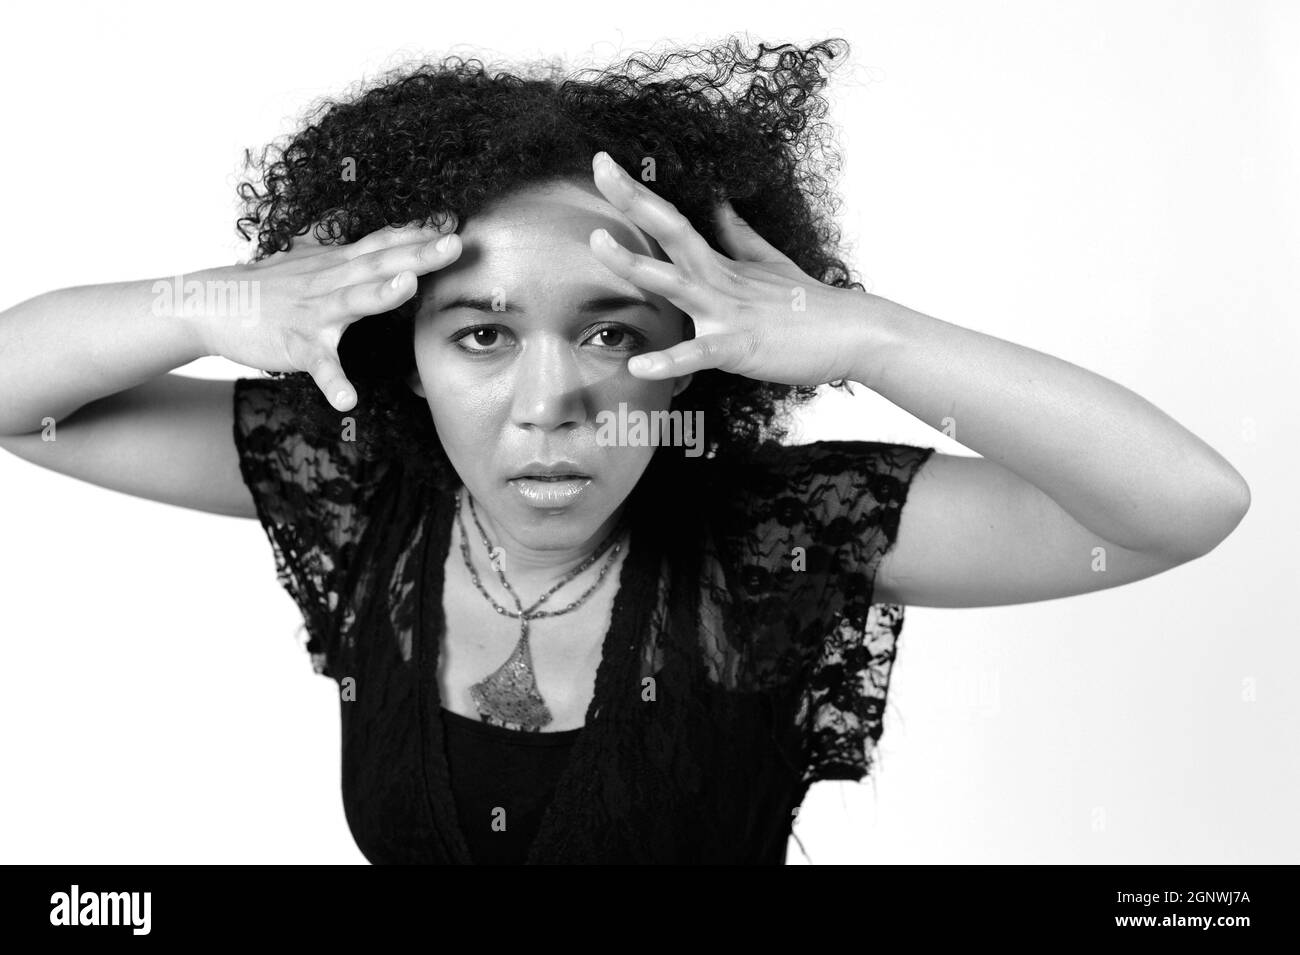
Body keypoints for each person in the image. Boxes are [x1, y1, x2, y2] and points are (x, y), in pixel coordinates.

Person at [0, 37, 1250, 865]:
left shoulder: (778, 535)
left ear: (704, 353)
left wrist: (867, 334)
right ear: (401, 355)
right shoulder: (362, 492)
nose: (551, 404)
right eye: (481, 333)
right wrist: (208, 305)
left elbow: (1179, 506)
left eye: (610, 332)